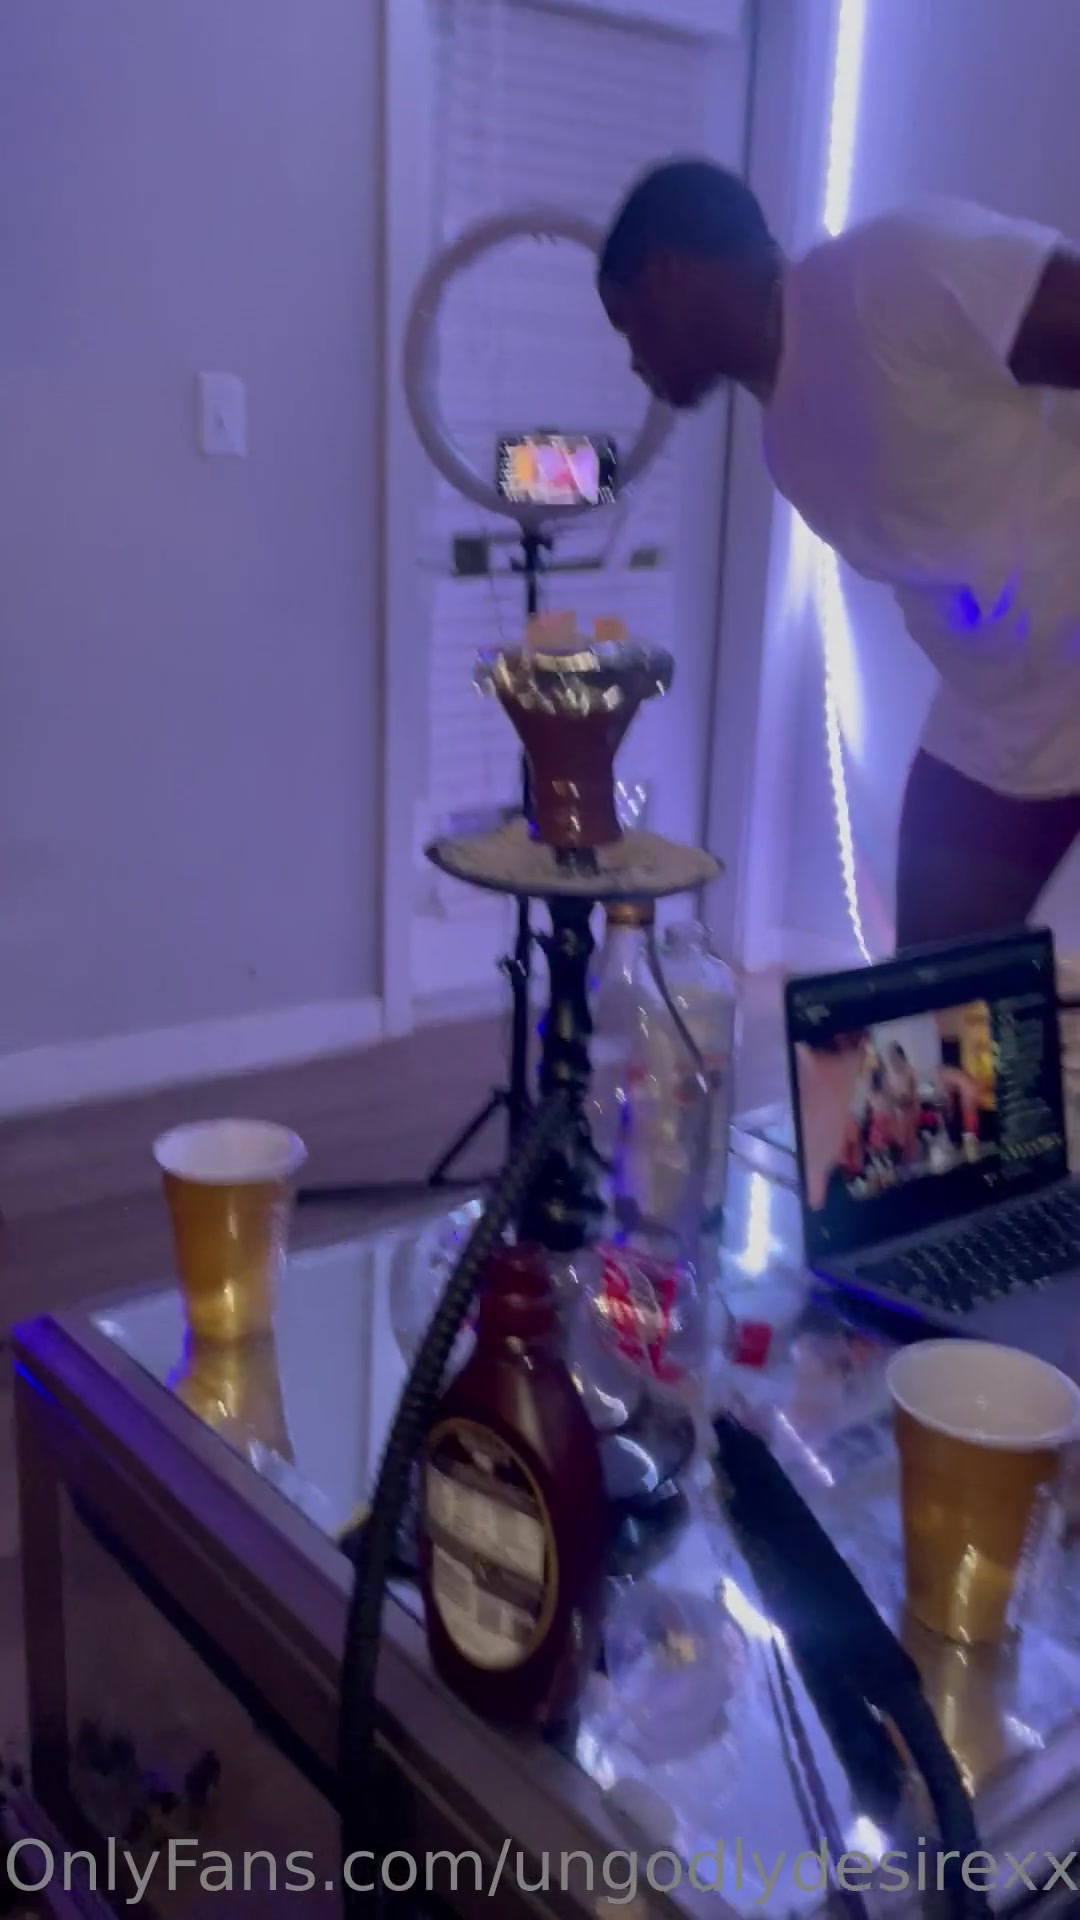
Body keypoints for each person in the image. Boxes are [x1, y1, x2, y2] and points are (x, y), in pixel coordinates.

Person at [597, 159, 1080, 949]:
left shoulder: (891, 271)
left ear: (669, 275)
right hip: (1000, 708)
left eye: (628, 324)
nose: (632, 358)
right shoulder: (785, 442)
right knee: (936, 977)